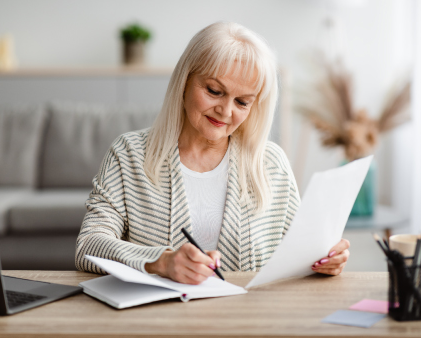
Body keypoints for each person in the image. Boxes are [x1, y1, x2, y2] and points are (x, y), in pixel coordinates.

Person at [75, 21, 350, 285]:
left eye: (242, 102)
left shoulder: (271, 163)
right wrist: (161, 262)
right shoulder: (128, 154)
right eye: (215, 91)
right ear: (184, 81)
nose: (226, 111)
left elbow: (300, 252)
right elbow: (88, 245)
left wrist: (324, 259)